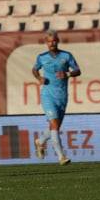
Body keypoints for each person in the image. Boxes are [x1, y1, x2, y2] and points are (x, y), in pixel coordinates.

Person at [31, 30, 80, 166]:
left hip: (62, 96)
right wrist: (39, 78)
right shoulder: (42, 57)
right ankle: (61, 156)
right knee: (54, 125)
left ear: (57, 41)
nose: (52, 43)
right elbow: (34, 69)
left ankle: (40, 141)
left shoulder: (66, 55)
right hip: (47, 95)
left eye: (54, 41)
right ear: (46, 43)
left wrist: (68, 74)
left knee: (55, 127)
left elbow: (77, 70)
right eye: (49, 41)